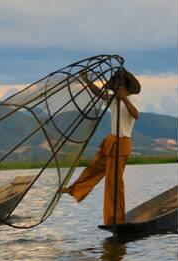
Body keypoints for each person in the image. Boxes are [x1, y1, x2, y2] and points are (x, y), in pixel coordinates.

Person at [60, 68, 141, 225]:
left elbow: (135, 114)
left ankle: (115, 219)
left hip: (122, 144)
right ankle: (75, 189)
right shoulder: (113, 99)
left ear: (123, 85)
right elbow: (99, 94)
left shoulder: (132, 99)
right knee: (94, 166)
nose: (116, 86)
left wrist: (123, 98)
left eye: (118, 83)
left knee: (113, 183)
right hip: (110, 142)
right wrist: (87, 81)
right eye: (115, 84)